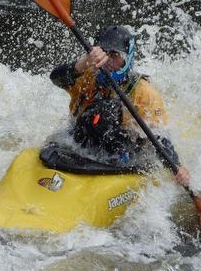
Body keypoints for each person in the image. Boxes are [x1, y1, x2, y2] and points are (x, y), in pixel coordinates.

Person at [49, 25, 190, 187]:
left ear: (128, 57)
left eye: (114, 55)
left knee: (106, 112)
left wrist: (176, 166)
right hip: (81, 146)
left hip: (121, 153)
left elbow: (159, 137)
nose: (108, 60)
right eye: (104, 53)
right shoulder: (87, 75)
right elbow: (56, 78)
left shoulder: (144, 93)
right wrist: (84, 62)